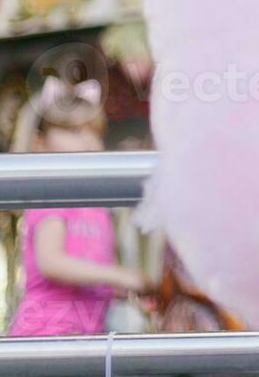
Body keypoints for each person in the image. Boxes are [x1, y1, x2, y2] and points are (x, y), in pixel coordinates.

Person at [8, 76, 154, 336]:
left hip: (84, 333)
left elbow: (88, 268)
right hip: (47, 331)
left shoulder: (96, 207)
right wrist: (117, 276)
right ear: (40, 143)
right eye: (73, 131)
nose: (88, 141)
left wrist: (113, 287)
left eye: (94, 132)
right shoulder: (52, 194)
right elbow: (51, 261)